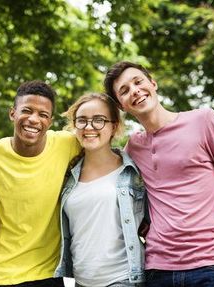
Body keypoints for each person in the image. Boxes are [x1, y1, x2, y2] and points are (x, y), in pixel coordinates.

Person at [104, 61, 214, 287]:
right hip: (158, 270)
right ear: (122, 106)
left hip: (213, 263)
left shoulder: (203, 120)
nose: (135, 91)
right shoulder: (133, 149)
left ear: (153, 83)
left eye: (138, 82)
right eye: (125, 91)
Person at [0, 80, 80, 287]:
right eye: (27, 111)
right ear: (12, 114)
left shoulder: (67, 144)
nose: (34, 120)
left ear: (50, 122)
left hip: (49, 274)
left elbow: (103, 150)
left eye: (43, 115)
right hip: (2, 273)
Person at [54, 92, 146, 287]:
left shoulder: (132, 172)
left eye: (99, 120)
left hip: (123, 279)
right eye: (82, 121)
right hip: (80, 282)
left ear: (113, 126)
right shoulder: (67, 176)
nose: (89, 127)